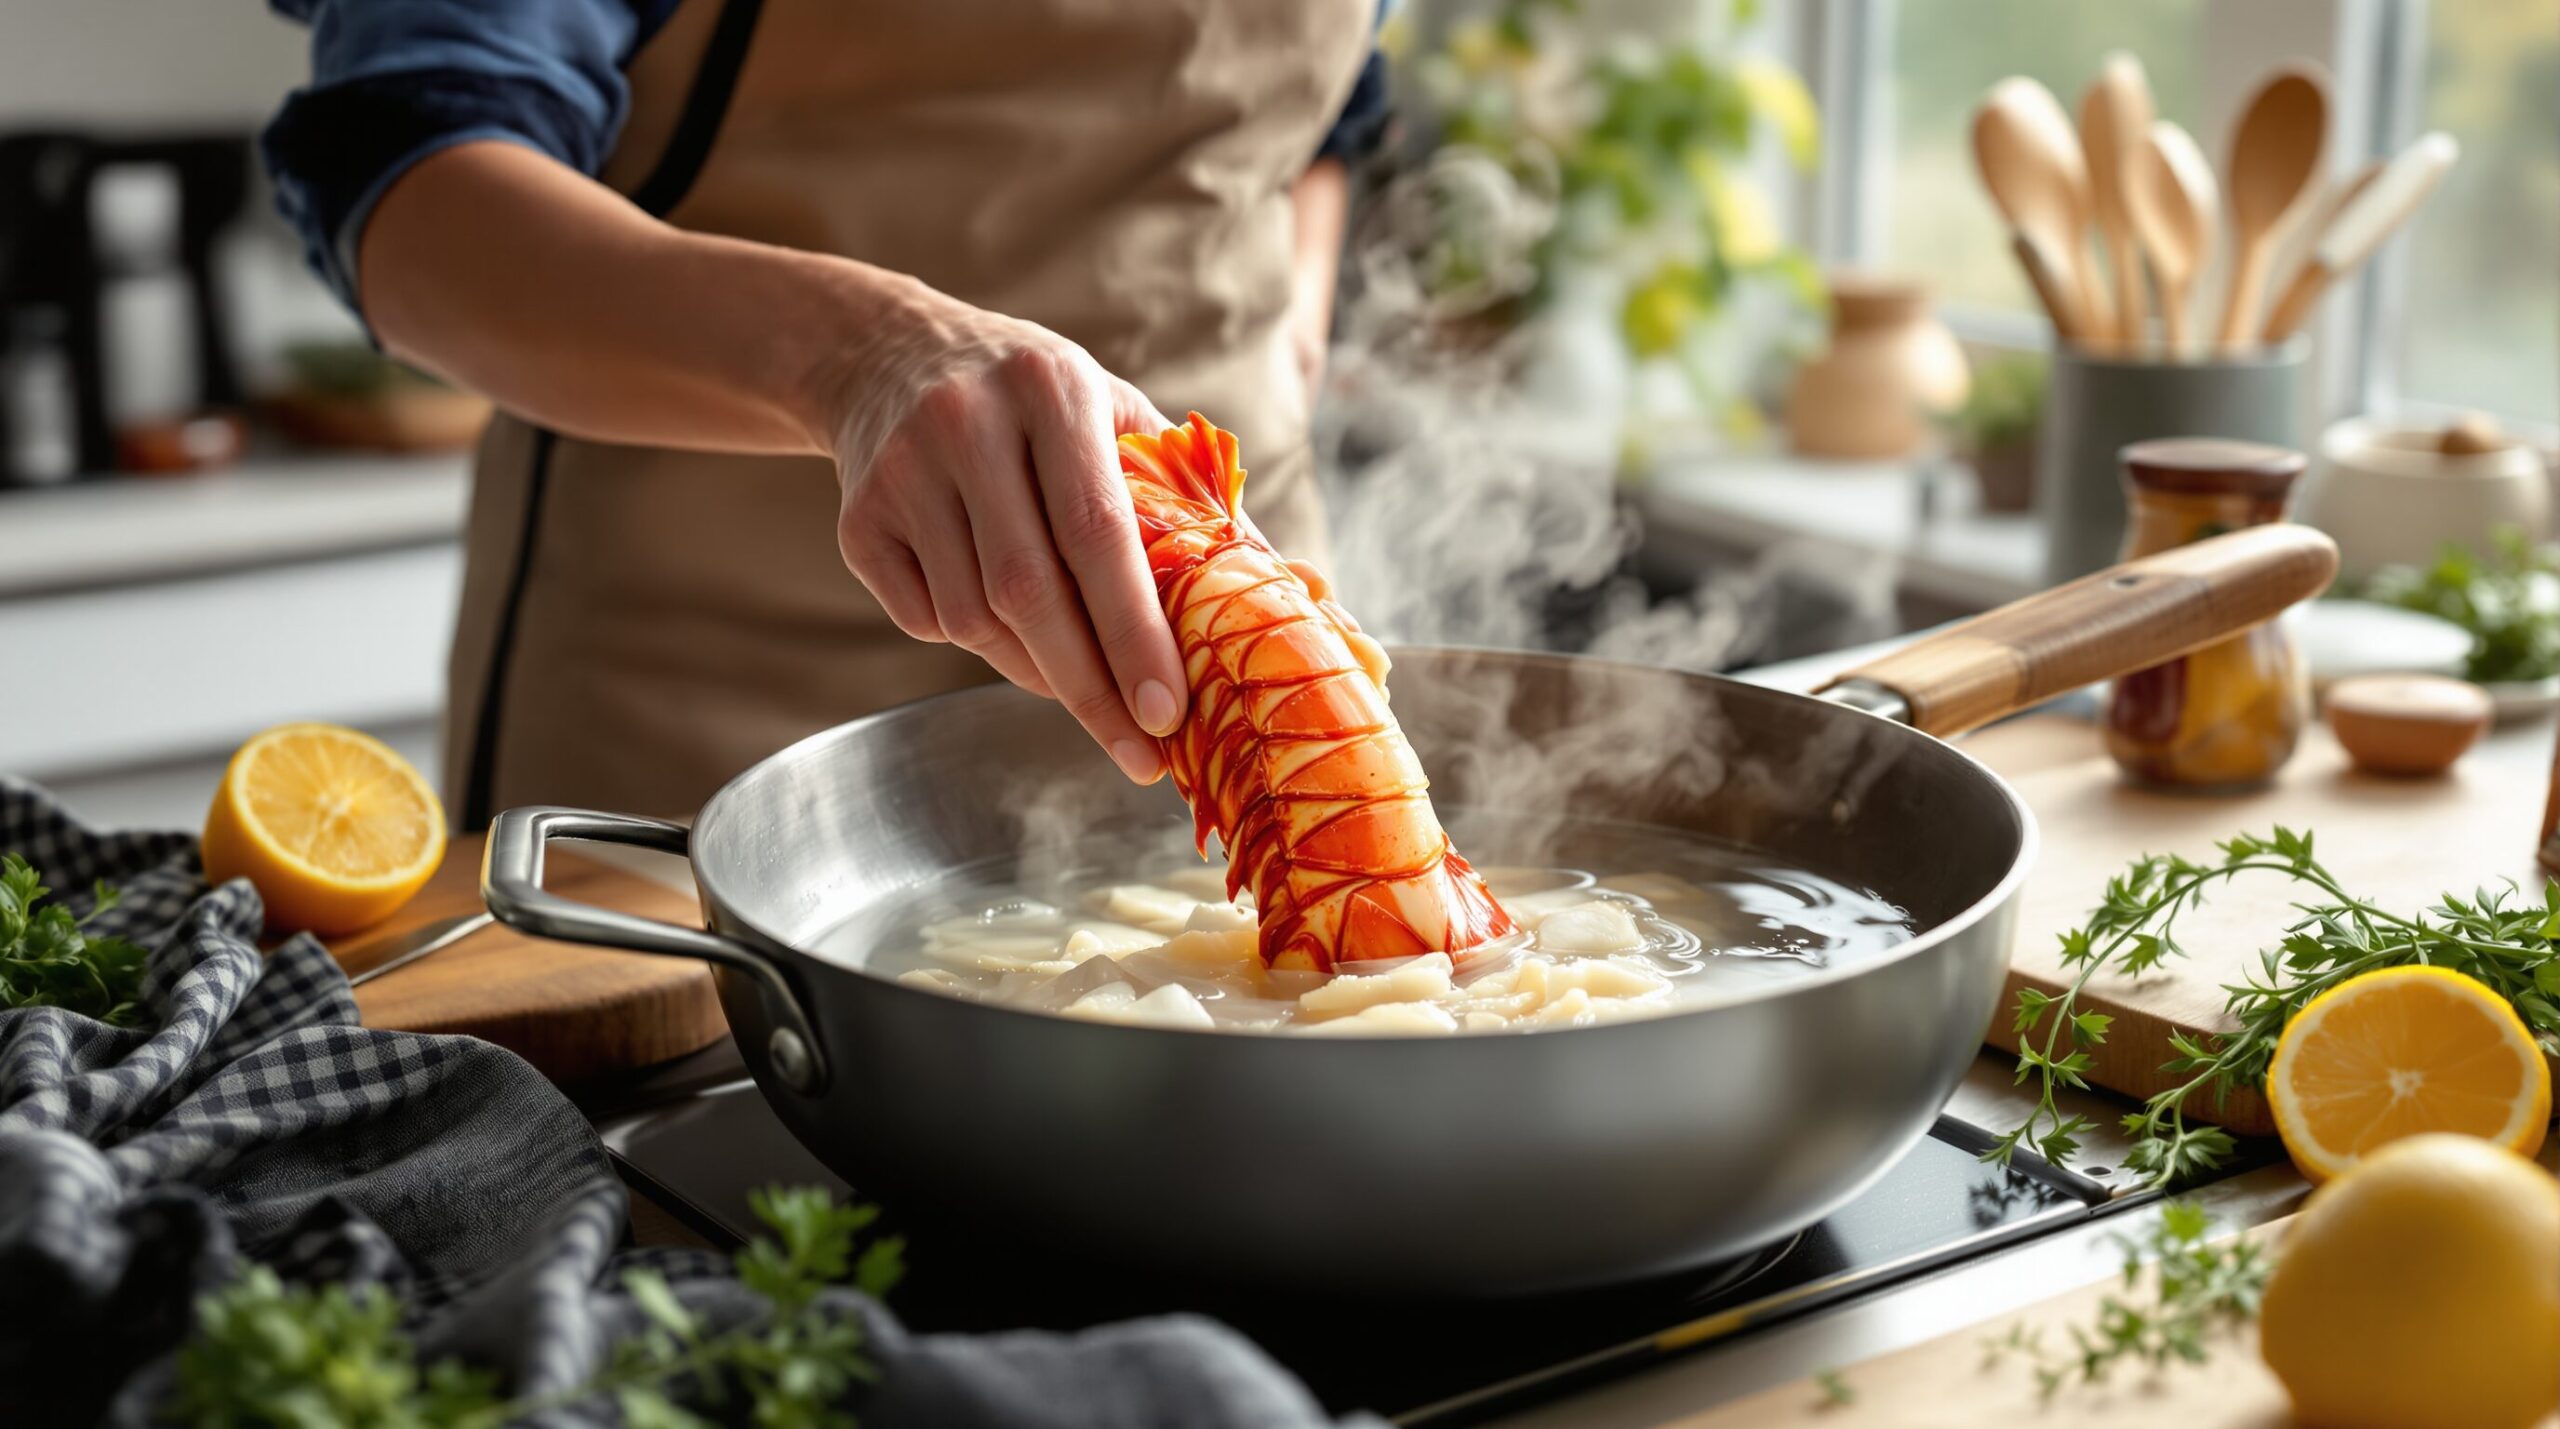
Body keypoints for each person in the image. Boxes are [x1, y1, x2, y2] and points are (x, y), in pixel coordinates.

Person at [262, 0, 1389, 826]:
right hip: (713, 680)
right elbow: (408, 182)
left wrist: (1291, 324)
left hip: (1215, 644)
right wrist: (861, 359)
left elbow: (1332, 108)